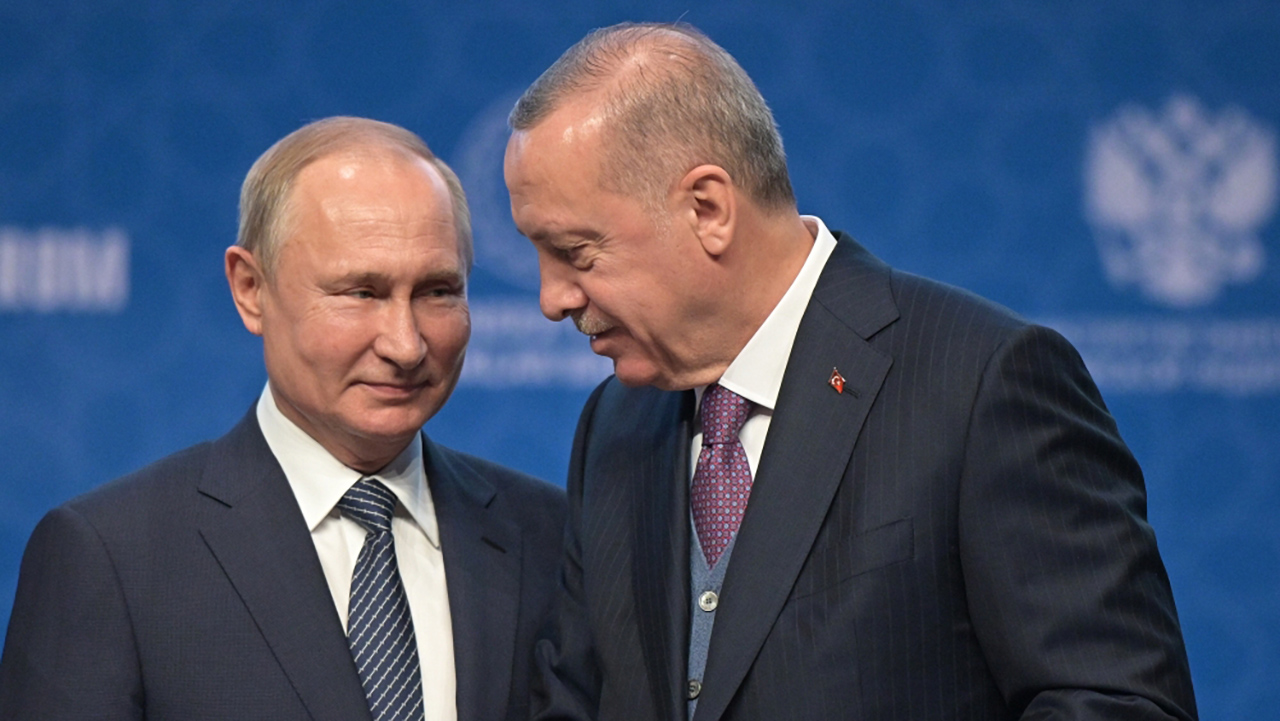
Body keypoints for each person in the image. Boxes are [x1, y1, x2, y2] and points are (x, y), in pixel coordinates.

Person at [503, 22, 1197, 721]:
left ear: (707, 209)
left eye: (576, 253)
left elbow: (1117, 703)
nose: (551, 299)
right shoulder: (615, 424)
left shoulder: (979, 383)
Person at [0, 116, 566, 721]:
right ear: (251, 289)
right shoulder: (112, 557)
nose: (405, 344)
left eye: (437, 292)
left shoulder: (552, 537)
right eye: (361, 293)